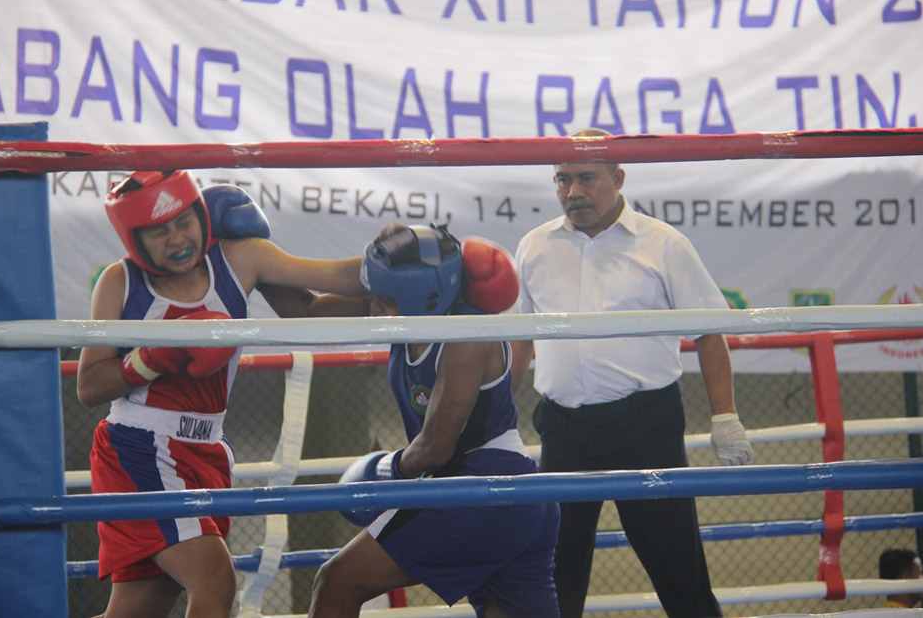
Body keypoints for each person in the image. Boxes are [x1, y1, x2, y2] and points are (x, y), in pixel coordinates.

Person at [76, 171, 365, 618]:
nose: (177, 238)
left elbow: (315, 296)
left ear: (201, 214)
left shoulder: (239, 259)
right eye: (159, 231)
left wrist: (391, 277)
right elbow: (90, 385)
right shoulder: (120, 283)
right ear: (135, 238)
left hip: (207, 450)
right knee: (214, 579)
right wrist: (155, 355)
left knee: (137, 610)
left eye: (184, 222)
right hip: (139, 448)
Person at [510, 128, 754, 618]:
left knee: (679, 569)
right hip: (563, 430)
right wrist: (495, 419)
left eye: (586, 178)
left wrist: (724, 415)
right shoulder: (534, 247)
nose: (573, 192)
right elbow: (520, 338)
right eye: (562, 179)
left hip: (646, 427)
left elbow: (710, 331)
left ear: (618, 178)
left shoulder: (663, 244)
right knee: (555, 574)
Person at [306, 224, 560, 618]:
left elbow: (435, 447)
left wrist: (384, 473)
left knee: (336, 582)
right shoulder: (399, 311)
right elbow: (302, 311)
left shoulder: (466, 333)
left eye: (385, 300)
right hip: (506, 498)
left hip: (485, 486)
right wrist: (250, 265)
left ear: (419, 298)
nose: (373, 308)